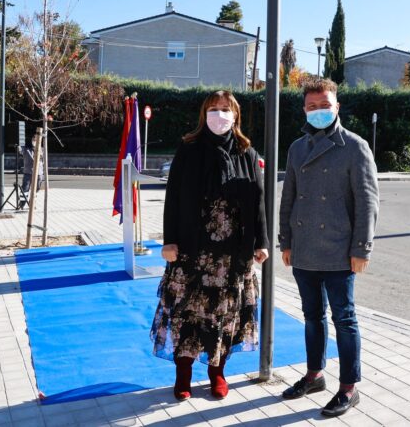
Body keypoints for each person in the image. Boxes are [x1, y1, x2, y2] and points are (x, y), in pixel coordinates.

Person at [150, 90, 269, 402]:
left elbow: (259, 203)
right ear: (204, 114)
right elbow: (173, 198)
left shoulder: (246, 151)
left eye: (225, 110)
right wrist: (169, 241)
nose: (220, 115)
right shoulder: (189, 149)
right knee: (185, 313)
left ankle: (217, 373)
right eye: (214, 109)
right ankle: (183, 374)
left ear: (236, 116)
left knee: (224, 316)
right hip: (191, 251)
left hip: (231, 256)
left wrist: (263, 242)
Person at [279, 78, 379, 417]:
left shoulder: (354, 146)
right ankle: (314, 374)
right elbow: (288, 198)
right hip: (305, 247)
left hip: (339, 249)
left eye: (325, 105)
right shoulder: (297, 148)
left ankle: (349, 388)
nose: (318, 111)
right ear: (304, 109)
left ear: (336, 107)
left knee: (344, 318)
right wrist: (286, 240)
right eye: (312, 106)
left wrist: (361, 249)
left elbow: (367, 202)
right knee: (311, 317)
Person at [19, 137, 43, 209]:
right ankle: (22, 204)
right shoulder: (26, 149)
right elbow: (20, 150)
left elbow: (43, 159)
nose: (34, 142)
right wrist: (19, 147)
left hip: (39, 172)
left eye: (36, 140)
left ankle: (32, 203)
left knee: (36, 189)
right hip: (28, 172)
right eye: (33, 140)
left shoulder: (41, 149)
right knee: (25, 188)